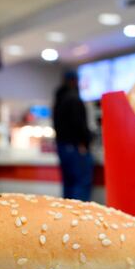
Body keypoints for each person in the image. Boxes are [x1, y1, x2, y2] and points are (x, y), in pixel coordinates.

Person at [53, 70, 93, 200]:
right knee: (80, 183)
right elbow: (79, 125)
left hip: (62, 146)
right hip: (75, 147)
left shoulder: (58, 99)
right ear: (75, 81)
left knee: (68, 184)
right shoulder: (74, 99)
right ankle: (79, 217)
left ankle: (67, 216)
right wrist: (85, 142)